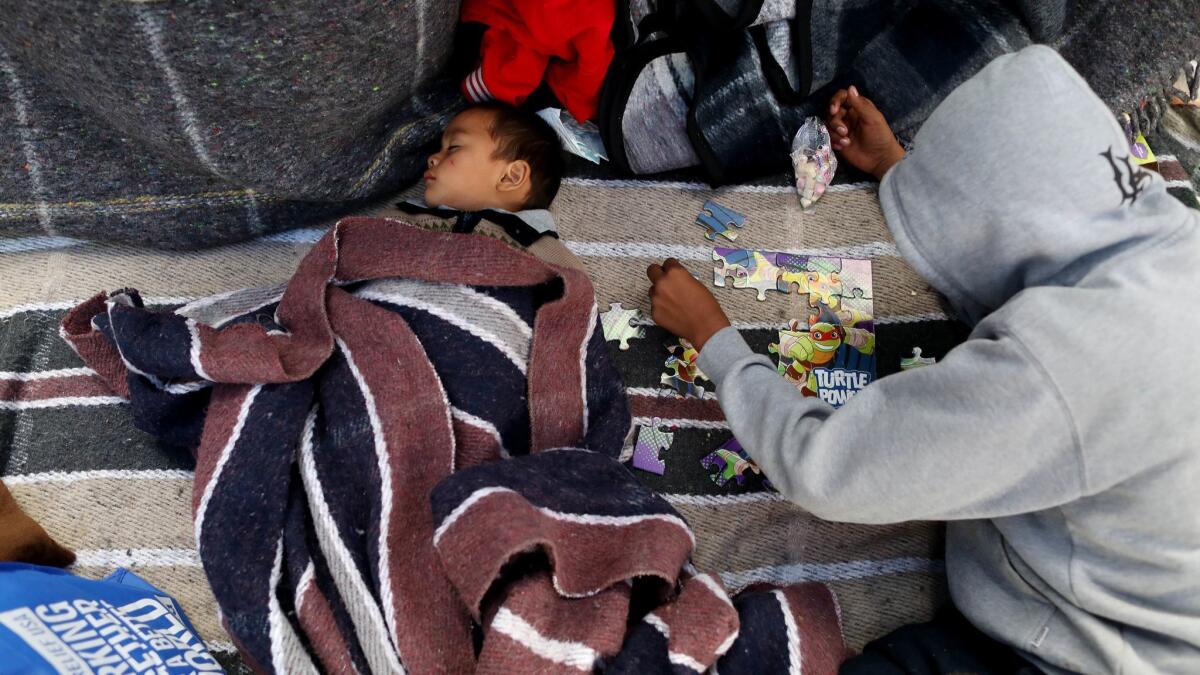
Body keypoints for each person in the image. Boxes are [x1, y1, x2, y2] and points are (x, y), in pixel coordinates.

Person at [646, 45, 1200, 674]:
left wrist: (714, 337)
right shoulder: (1169, 230)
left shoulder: (1061, 373)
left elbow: (826, 469)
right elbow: (1024, 237)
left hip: (1101, 650)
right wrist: (900, 170)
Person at [376, 101, 586, 271]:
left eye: (454, 147)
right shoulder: (397, 219)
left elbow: (576, 308)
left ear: (510, 177)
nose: (432, 158)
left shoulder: (545, 253)